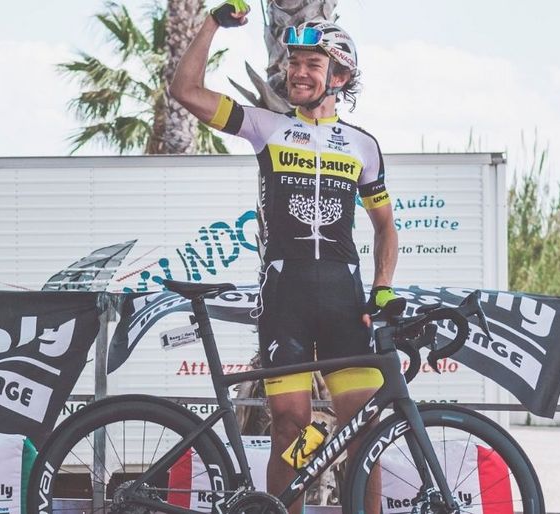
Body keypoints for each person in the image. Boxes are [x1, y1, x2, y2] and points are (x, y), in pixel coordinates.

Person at [168, 1, 399, 511]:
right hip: (285, 300)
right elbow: (185, 91)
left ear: (340, 76)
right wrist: (213, 22)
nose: (297, 72)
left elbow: (385, 226)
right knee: (290, 429)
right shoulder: (266, 127)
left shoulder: (362, 146)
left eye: (312, 64)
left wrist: (382, 287)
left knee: (365, 431)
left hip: (344, 302)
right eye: (293, 62)